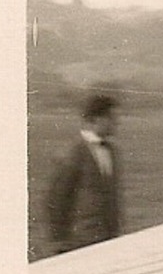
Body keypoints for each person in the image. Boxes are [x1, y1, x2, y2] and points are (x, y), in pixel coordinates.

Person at [44, 92, 123, 255]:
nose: (116, 123)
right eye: (112, 118)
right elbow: (56, 199)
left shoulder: (113, 152)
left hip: (108, 242)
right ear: (97, 119)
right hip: (79, 243)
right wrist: (60, 242)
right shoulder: (72, 153)